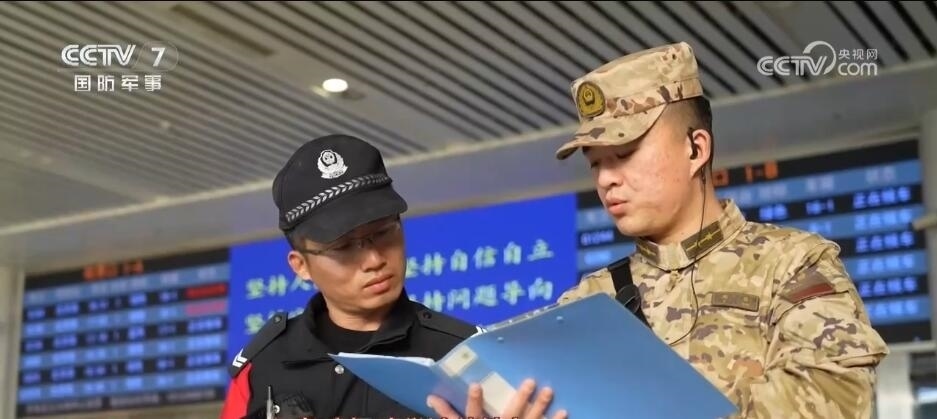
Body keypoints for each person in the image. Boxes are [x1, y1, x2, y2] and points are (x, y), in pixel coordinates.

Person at [430, 42, 889, 419]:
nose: (607, 180)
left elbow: (835, 397)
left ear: (696, 149)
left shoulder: (791, 263)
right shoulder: (587, 302)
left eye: (624, 154)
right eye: (596, 164)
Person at [221, 134, 479, 419]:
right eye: (343, 247)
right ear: (301, 266)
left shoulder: (467, 355)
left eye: (384, 233)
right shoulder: (260, 369)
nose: (374, 260)